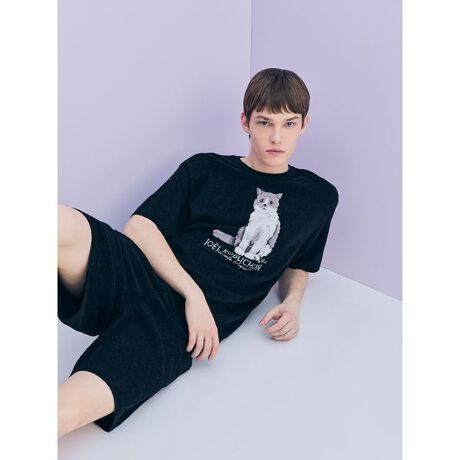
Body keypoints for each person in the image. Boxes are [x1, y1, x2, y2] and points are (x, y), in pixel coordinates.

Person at [57, 68, 339, 438]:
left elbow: (300, 260)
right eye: (264, 122)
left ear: (304, 124)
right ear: (245, 122)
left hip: (174, 328)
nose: (276, 137)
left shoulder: (318, 197)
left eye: (288, 124)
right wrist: (194, 294)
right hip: (139, 273)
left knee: (62, 413)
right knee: (58, 220)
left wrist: (293, 302)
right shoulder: (205, 168)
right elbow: (140, 226)